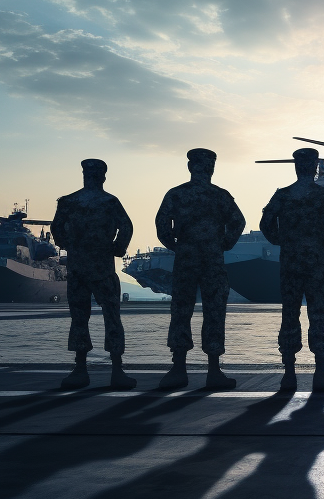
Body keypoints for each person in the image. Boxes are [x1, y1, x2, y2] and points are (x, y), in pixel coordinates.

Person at [154, 148, 246, 391]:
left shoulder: (176, 194)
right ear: (211, 168)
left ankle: (178, 368)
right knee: (214, 312)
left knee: (181, 311)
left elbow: (161, 223)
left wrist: (173, 244)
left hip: (185, 260)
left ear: (190, 167)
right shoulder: (220, 196)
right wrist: (224, 243)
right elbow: (238, 221)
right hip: (213, 262)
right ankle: (214, 370)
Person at [260, 148, 324, 392]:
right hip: (317, 266)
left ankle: (289, 374)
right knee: (319, 315)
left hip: (290, 266)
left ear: (297, 166)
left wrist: (281, 241)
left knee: (289, 315)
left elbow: (265, 222)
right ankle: (321, 372)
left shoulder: (283, 196)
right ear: (314, 167)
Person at [51, 158, 135, 390]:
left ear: (84, 175)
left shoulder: (68, 202)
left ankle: (80, 369)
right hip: (103, 268)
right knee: (112, 317)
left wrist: (71, 245)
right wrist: (117, 248)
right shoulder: (109, 202)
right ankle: (117, 369)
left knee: (79, 318)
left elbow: (56, 229)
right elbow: (126, 226)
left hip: (78, 268)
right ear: (103, 177)